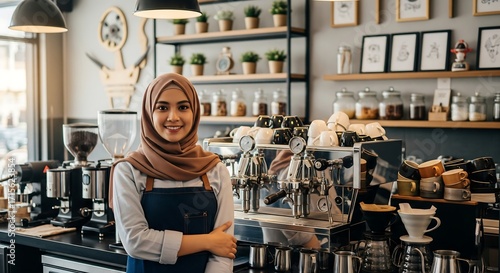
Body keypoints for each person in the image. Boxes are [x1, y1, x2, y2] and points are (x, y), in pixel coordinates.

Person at [110, 73, 237, 273]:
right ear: (148, 113)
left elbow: (223, 248)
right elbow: (136, 242)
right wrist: (206, 241)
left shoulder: (215, 169)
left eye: (183, 107)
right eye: (162, 107)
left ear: (194, 112)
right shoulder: (129, 170)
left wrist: (215, 243)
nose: (173, 117)